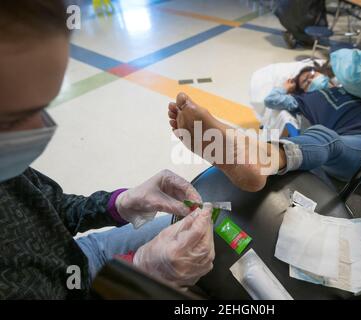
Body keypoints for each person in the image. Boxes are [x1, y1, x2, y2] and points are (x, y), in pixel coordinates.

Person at [0, 1, 214, 299]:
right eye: (13, 119)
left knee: (197, 230)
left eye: (45, 105)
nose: (41, 126)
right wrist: (138, 275)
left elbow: (51, 207)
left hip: (76, 259)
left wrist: (119, 203)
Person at [167, 74, 361, 275]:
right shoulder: (305, 99)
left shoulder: (351, 89)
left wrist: (340, 80)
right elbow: (272, 99)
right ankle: (262, 158)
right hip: (357, 151)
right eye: (304, 79)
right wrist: (291, 88)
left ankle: (257, 153)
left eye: (313, 74)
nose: (311, 79)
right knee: (325, 138)